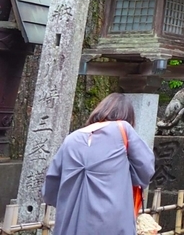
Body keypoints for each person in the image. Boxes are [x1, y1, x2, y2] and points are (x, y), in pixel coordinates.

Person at [42, 93, 155, 235]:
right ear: (128, 116)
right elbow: (146, 168)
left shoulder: (71, 138)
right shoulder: (122, 129)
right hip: (111, 222)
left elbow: (51, 184)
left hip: (70, 223)